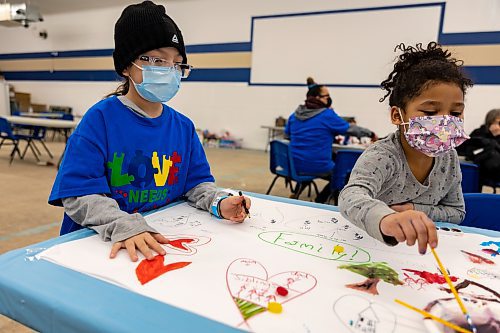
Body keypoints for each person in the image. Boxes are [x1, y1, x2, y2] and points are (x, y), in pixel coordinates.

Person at [48, 1, 250, 262]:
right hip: (101, 248)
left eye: (177, 63)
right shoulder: (100, 120)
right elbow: (78, 194)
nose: (168, 70)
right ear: (125, 66)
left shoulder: (183, 127)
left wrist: (219, 202)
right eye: (156, 60)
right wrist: (124, 225)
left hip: (156, 244)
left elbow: (197, 184)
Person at [339, 42, 473, 254]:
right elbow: (350, 196)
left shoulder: (449, 158)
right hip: (371, 247)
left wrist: (414, 209)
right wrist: (386, 218)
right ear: (397, 116)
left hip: (420, 254)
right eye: (430, 112)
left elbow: (457, 211)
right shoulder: (383, 156)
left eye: (455, 113)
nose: (445, 122)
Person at [285, 77, 350, 203]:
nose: (329, 98)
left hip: (295, 166)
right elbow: (348, 129)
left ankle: (297, 192)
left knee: (315, 159)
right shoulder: (327, 115)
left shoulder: (294, 115)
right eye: (326, 96)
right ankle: (321, 200)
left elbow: (287, 134)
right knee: (343, 173)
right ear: (317, 98)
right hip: (317, 166)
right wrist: (370, 133)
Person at [458, 109, 500, 186]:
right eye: (497, 122)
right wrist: (489, 139)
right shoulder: (479, 132)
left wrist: (496, 138)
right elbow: (463, 148)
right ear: (490, 122)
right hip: (479, 171)